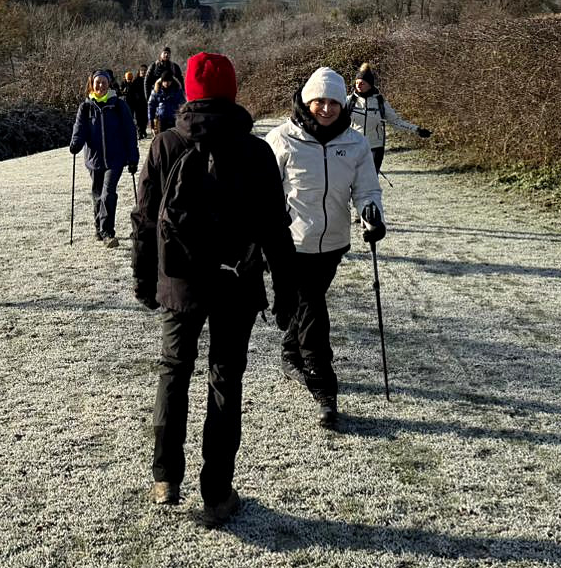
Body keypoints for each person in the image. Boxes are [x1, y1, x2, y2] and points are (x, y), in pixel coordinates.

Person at [131, 52, 296, 524]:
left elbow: (144, 221)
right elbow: (275, 231)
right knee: (225, 380)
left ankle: (165, 477)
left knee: (173, 371)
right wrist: (287, 294)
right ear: (233, 92)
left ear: (188, 91)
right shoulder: (257, 150)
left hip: (178, 281)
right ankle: (218, 493)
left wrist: (144, 281)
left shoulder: (165, 145)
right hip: (236, 283)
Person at [265, 66, 385, 426]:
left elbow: (367, 190)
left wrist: (372, 217)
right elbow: (265, 193)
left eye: (333, 102)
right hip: (291, 243)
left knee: (306, 306)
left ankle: (290, 354)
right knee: (313, 310)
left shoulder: (355, 143)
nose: (327, 108)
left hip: (333, 242)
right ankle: (324, 389)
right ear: (307, 100)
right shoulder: (282, 139)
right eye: (320, 101)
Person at [69, 69, 139, 248]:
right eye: (97, 82)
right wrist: (76, 143)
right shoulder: (86, 107)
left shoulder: (118, 105)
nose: (100, 85)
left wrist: (133, 157)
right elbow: (80, 129)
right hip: (94, 159)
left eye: (104, 82)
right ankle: (98, 229)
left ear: (109, 84)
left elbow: (130, 131)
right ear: (92, 84)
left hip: (116, 159)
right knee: (97, 195)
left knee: (108, 193)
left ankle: (108, 232)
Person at [346, 62, 430, 174]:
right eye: (356, 83)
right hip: (353, 145)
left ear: (370, 84)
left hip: (375, 147)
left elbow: (395, 122)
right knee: (353, 178)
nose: (358, 86)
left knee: (371, 180)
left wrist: (417, 130)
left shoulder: (380, 102)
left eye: (362, 83)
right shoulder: (348, 101)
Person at [121, 70, 147, 140]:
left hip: (134, 104)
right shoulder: (123, 83)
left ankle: (139, 133)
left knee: (135, 119)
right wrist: (123, 91)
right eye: (128, 79)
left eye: (130, 79)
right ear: (125, 78)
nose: (129, 80)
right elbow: (120, 92)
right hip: (125, 103)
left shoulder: (134, 84)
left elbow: (136, 93)